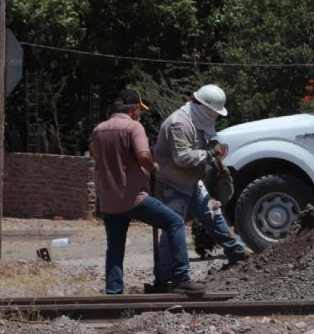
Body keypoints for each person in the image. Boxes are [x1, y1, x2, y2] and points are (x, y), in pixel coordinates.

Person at [89, 89, 205, 295]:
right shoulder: (134, 127)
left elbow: (94, 154)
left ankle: (113, 291)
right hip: (134, 198)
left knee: (115, 247)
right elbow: (143, 155)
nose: (138, 113)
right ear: (134, 109)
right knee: (174, 222)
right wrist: (152, 167)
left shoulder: (99, 130)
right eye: (138, 110)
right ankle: (181, 278)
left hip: (108, 201)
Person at [153, 84, 252, 265]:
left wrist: (217, 164)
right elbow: (182, 158)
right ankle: (167, 275)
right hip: (171, 184)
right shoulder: (179, 123)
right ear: (205, 108)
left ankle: (236, 251)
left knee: (213, 215)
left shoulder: (198, 120)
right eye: (215, 112)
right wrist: (209, 154)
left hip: (191, 182)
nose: (215, 116)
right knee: (172, 228)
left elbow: (202, 149)